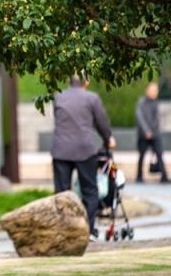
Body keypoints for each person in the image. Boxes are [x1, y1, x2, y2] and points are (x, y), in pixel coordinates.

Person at [51, 73, 116, 242]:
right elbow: (102, 122)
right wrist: (108, 138)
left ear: (68, 81)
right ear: (86, 82)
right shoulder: (91, 98)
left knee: (61, 193)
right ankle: (86, 231)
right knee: (90, 191)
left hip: (61, 150)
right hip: (84, 150)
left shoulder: (58, 97)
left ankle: (63, 232)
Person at [135, 83, 171, 184]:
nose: (154, 92)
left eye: (155, 91)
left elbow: (157, 119)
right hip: (143, 134)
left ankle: (164, 177)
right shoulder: (141, 102)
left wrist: (152, 131)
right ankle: (139, 177)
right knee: (141, 156)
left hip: (155, 134)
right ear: (147, 90)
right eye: (152, 90)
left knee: (160, 154)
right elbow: (140, 117)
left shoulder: (156, 103)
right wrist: (146, 131)